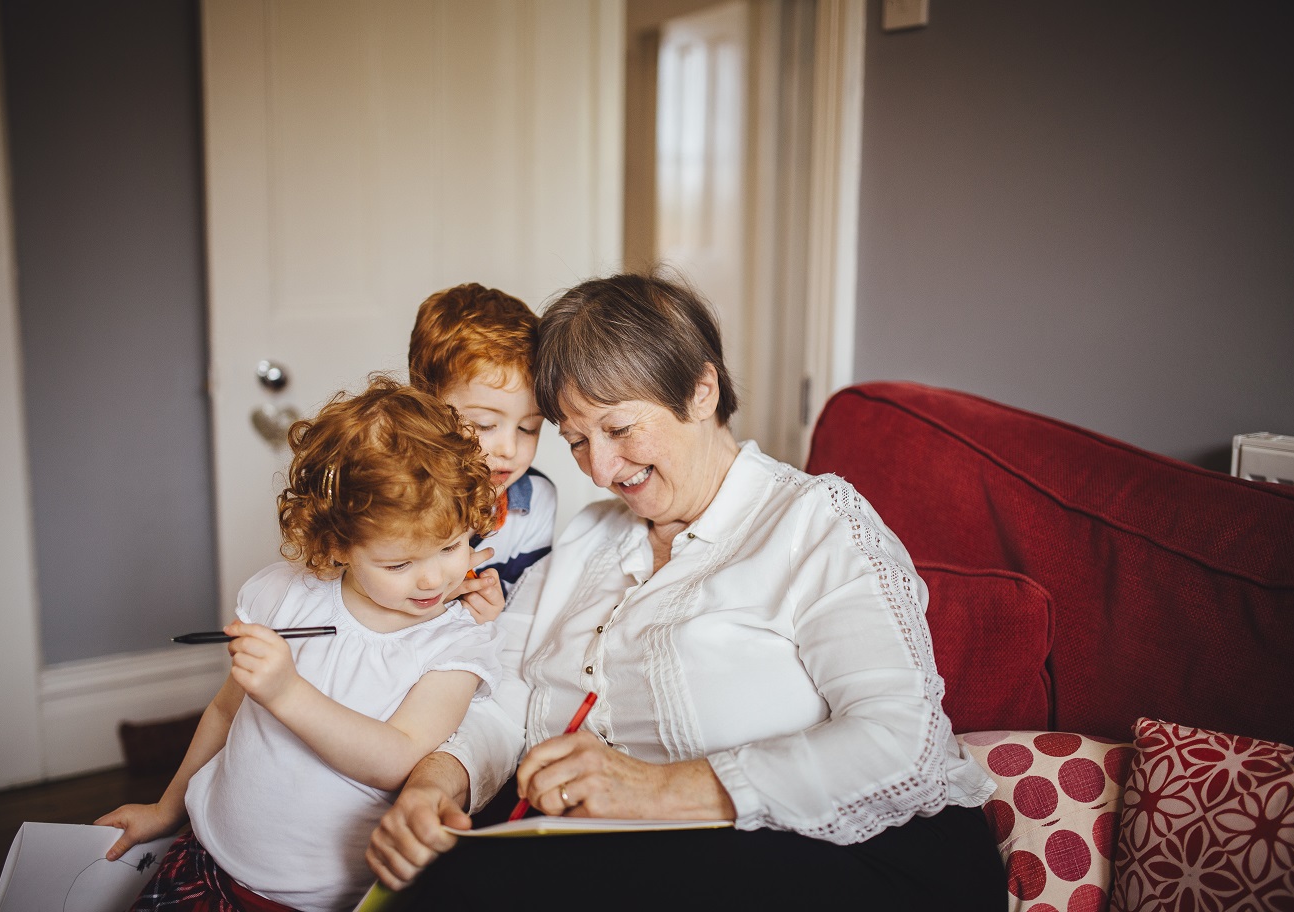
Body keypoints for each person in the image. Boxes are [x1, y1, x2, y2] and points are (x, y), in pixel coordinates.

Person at [365, 273, 1007, 910]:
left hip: (862, 856)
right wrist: (433, 787)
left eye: (619, 430)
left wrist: (656, 790)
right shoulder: (588, 538)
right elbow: (506, 697)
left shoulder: (817, 523)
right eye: (578, 441)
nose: (602, 469)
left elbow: (903, 739)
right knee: (442, 881)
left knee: (477, 890)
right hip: (645, 854)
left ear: (702, 391)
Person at [97, 375, 506, 912]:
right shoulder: (284, 594)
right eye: (399, 563)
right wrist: (167, 808)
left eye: (451, 547)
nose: (433, 580)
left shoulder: (454, 642)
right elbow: (225, 711)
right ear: (338, 544)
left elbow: (398, 756)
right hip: (204, 858)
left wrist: (288, 692)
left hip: (315, 902)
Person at [409, 283, 556, 596]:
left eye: (529, 428)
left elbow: (521, 619)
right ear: (426, 406)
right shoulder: (386, 491)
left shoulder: (534, 502)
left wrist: (487, 621)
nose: (509, 449)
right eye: (484, 424)